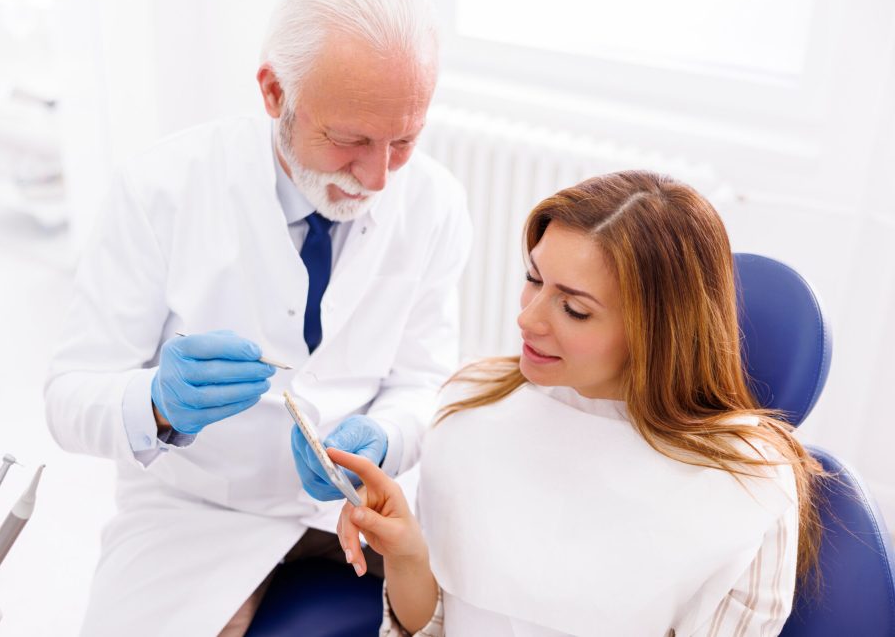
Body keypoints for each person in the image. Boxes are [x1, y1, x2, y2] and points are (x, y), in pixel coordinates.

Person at [43, 0, 471, 636]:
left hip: (352, 510)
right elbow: (67, 398)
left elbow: (424, 382)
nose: (379, 177)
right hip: (196, 516)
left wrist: (385, 438)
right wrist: (157, 402)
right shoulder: (161, 190)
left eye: (404, 141)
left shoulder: (435, 203)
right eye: (351, 141)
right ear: (275, 92)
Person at [332, 171, 826, 636]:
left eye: (574, 309)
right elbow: (432, 626)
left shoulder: (747, 485)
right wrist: (407, 554)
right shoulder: (471, 403)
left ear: (657, 332)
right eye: (533, 278)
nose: (528, 320)